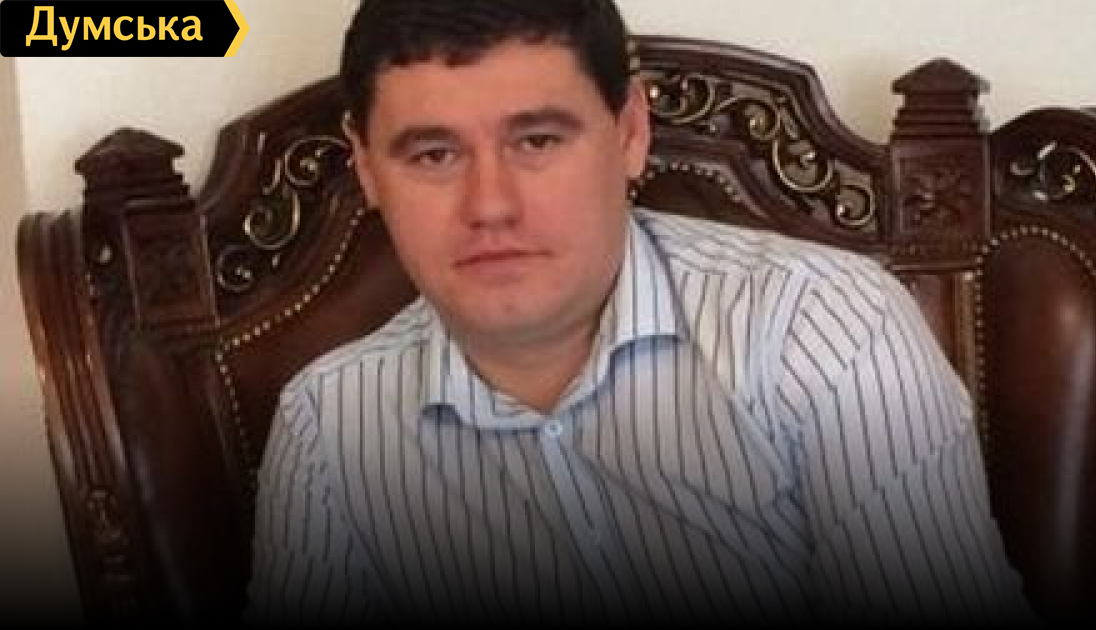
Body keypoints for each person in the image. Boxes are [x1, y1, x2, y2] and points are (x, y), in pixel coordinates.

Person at [245, 0, 1040, 626]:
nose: (490, 205)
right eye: (433, 155)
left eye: (538, 141)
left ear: (629, 131)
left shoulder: (822, 327)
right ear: (367, 168)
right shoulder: (327, 426)